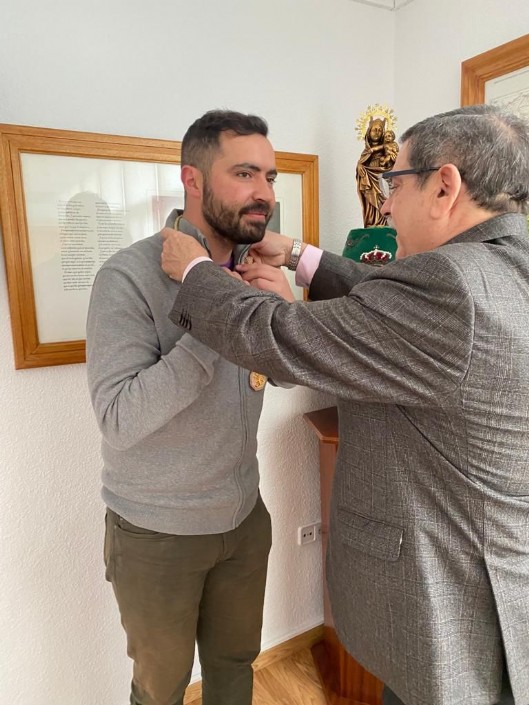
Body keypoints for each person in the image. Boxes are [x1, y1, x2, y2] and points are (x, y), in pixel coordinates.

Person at [159, 104, 529, 705]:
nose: (384, 203)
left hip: (452, 603)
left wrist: (197, 271)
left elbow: (279, 337)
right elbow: (392, 306)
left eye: (395, 183)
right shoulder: (502, 267)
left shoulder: (453, 288)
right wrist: (301, 256)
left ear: (445, 186)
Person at [86, 108, 293, 705]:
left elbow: (276, 377)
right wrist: (216, 312)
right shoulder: (126, 277)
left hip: (244, 518)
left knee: (234, 668)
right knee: (161, 689)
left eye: (271, 177)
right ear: (193, 179)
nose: (264, 194)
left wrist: (279, 316)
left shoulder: (251, 270)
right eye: (246, 174)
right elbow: (119, 418)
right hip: (158, 533)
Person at [356, 117, 388, 227]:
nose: (377, 133)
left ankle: (383, 222)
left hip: (381, 177)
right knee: (370, 200)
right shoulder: (366, 151)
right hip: (369, 179)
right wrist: (360, 166)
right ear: (369, 131)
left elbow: (392, 163)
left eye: (380, 130)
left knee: (382, 198)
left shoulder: (386, 148)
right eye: (374, 130)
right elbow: (361, 163)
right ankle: (372, 222)